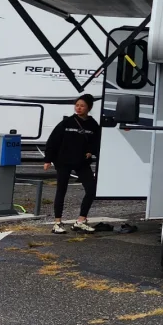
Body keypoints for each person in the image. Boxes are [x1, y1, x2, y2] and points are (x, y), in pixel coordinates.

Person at [43, 95, 101, 234]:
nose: (79, 108)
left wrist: (91, 152)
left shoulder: (93, 125)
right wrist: (48, 159)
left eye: (82, 106)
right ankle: (57, 223)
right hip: (63, 161)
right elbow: (53, 141)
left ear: (89, 108)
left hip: (82, 162)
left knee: (91, 189)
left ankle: (81, 221)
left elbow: (98, 142)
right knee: (61, 190)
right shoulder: (67, 122)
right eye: (77, 105)